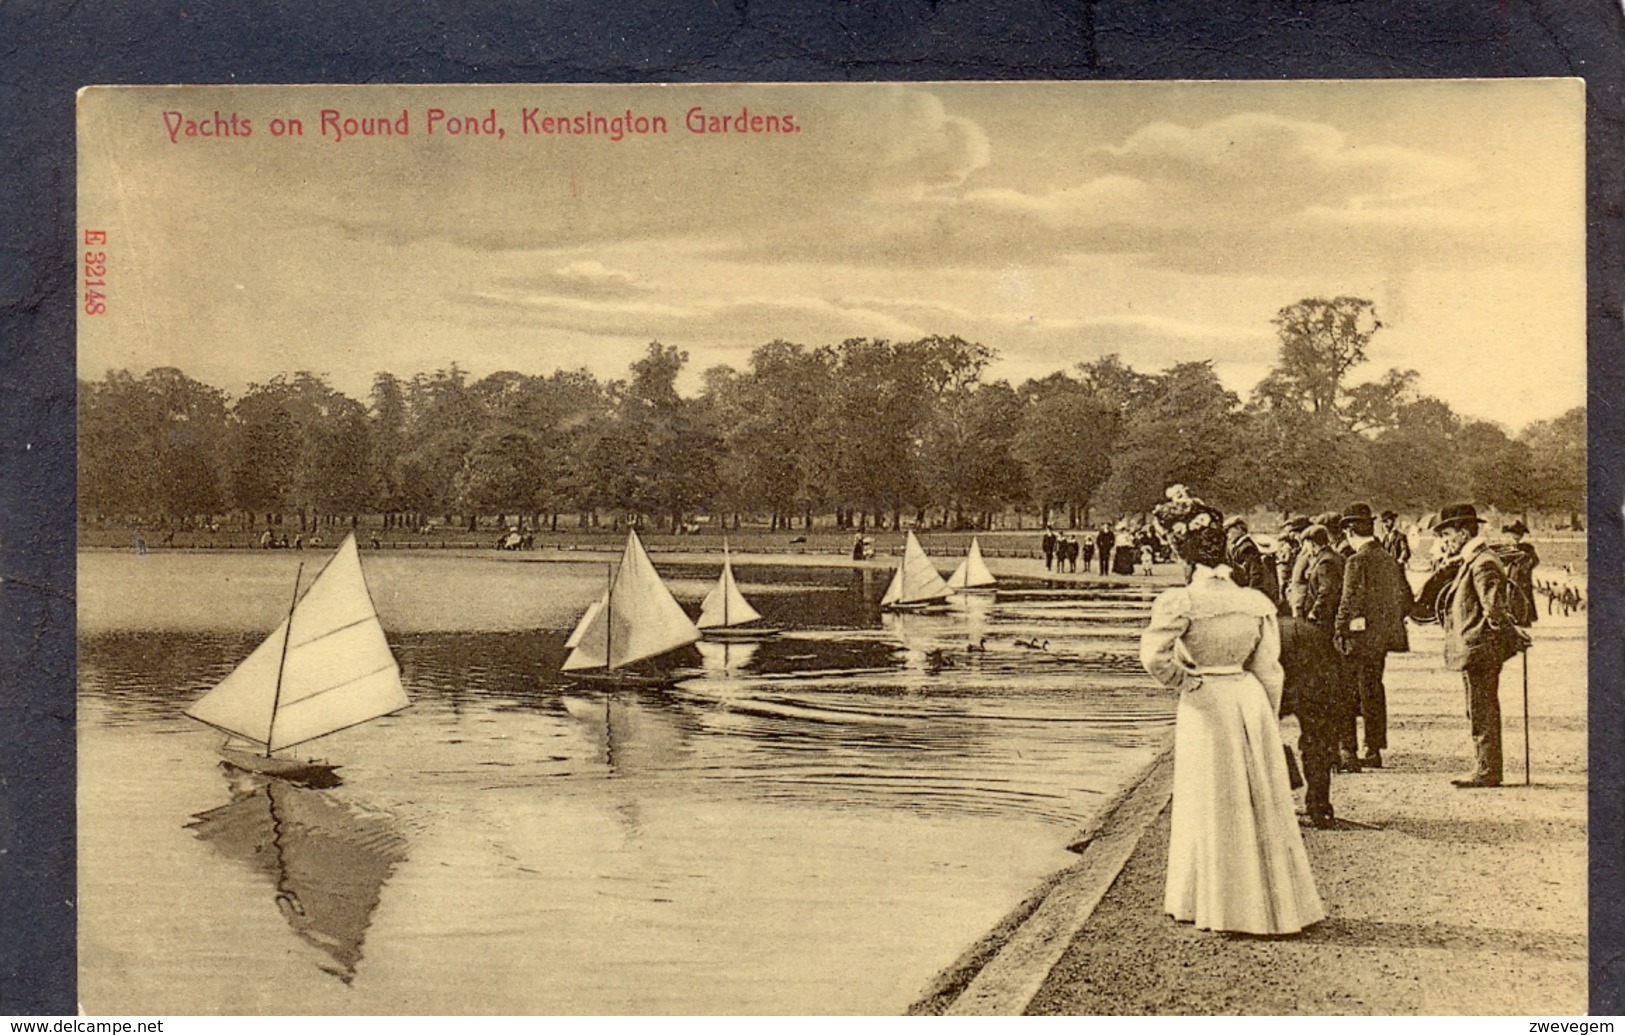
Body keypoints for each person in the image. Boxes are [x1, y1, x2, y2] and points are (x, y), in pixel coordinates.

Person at [1141, 486, 1325, 935]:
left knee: (1210, 797)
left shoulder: (1181, 601)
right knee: (1258, 798)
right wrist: (1265, 714)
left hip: (1205, 699)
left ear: (1185, 558)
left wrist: (1186, 679)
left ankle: (1209, 901)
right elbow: (1271, 669)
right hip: (1248, 696)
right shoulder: (1255, 602)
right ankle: (1271, 904)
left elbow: (1153, 656)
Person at [1435, 503, 1524, 787]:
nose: (1444, 541)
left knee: (1481, 708)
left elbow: (1494, 609)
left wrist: (1509, 635)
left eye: (1447, 534)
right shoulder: (1475, 559)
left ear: (1463, 533)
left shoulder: (1483, 562)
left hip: (1480, 650)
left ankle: (1487, 770)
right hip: (1476, 649)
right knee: (1478, 707)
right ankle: (1484, 766)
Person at [1333, 503, 1413, 770]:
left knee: (1346, 693)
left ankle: (1349, 751)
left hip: (1357, 640)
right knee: (1373, 691)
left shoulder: (1356, 561)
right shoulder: (1388, 558)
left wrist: (1340, 630)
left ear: (1349, 530)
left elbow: (1349, 602)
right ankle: (1374, 748)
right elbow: (1406, 598)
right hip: (1381, 640)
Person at [1293, 524, 1345, 826]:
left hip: (1319, 639)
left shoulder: (1325, 562)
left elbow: (1326, 593)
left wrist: (1312, 619)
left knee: (1315, 732)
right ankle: (1318, 803)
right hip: (1323, 644)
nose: (1306, 550)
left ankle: (1317, 805)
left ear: (1314, 543)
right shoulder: (1331, 559)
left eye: (1307, 545)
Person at [1224, 517, 1281, 607]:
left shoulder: (1246, 548)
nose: (1228, 535)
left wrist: (1250, 595)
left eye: (1229, 531)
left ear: (1239, 529)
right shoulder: (1242, 546)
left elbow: (1255, 573)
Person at [1502, 520, 1540, 626]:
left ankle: (1525, 618)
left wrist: (1526, 568)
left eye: (1519, 534)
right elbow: (1504, 560)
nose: (1516, 536)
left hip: (1524, 575)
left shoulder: (1527, 547)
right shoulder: (1509, 546)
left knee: (1524, 595)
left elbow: (1535, 560)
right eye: (1514, 534)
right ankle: (1514, 618)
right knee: (1511, 594)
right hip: (1512, 573)